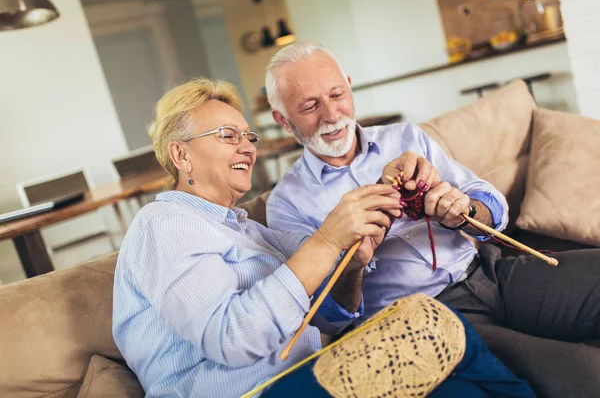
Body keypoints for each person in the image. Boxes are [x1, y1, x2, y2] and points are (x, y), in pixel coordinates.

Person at [112, 78, 533, 398]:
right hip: (254, 393)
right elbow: (232, 339)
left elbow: (336, 314)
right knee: (427, 328)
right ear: (181, 153)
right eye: (227, 136)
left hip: (308, 373)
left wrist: (355, 256)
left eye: (248, 136)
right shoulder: (164, 222)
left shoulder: (251, 232)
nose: (247, 147)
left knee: (445, 352)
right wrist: (329, 240)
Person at [264, 41, 600, 397]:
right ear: (282, 119)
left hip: (490, 272)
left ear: (349, 85)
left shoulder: (405, 136)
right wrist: (353, 265)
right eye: (310, 106)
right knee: (584, 374)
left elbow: (492, 207)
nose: (332, 114)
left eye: (337, 94)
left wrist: (465, 211)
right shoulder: (286, 203)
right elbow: (329, 318)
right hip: (428, 320)